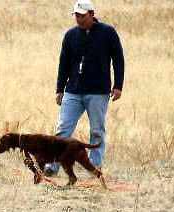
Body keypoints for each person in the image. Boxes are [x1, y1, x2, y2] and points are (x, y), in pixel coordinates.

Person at [45, 0, 125, 177]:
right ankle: (52, 166)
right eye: (76, 15)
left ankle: (94, 166)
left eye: (82, 15)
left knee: (97, 130)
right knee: (63, 129)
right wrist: (59, 89)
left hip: (98, 92)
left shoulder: (108, 33)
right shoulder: (70, 35)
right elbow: (63, 64)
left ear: (92, 14)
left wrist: (118, 85)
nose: (79, 19)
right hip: (73, 91)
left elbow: (118, 59)